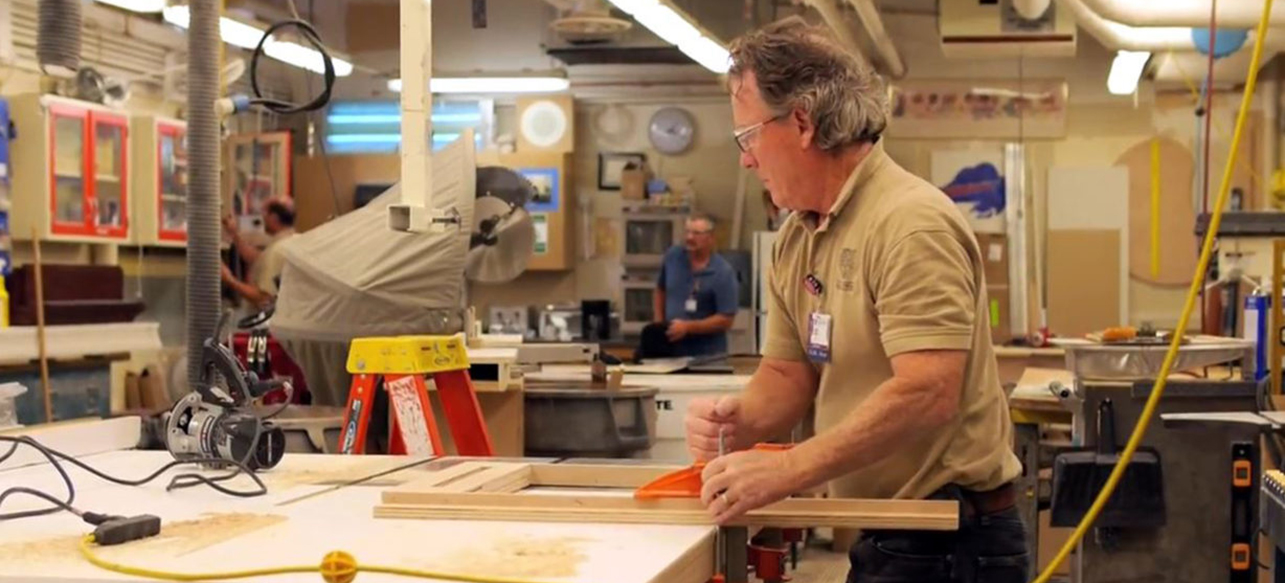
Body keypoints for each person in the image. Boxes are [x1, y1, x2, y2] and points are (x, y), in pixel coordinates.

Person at [685, 17, 1027, 583]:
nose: (745, 159)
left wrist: (790, 468)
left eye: (747, 137)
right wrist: (736, 422)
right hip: (888, 530)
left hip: (952, 540)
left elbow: (928, 392)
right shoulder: (799, 236)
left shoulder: (910, 224)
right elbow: (786, 374)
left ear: (801, 123)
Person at [642, 213, 739, 358]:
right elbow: (660, 290)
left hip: (707, 356)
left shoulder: (723, 272)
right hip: (671, 351)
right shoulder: (673, 257)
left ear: (710, 238)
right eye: (687, 232)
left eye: (696, 233)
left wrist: (688, 327)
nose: (689, 238)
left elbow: (726, 320)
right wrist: (659, 323)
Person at [221, 198, 297, 311]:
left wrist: (230, 280)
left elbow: (263, 298)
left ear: (274, 217)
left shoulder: (277, 250)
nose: (262, 218)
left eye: (264, 213)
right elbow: (258, 259)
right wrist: (234, 234)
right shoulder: (293, 241)